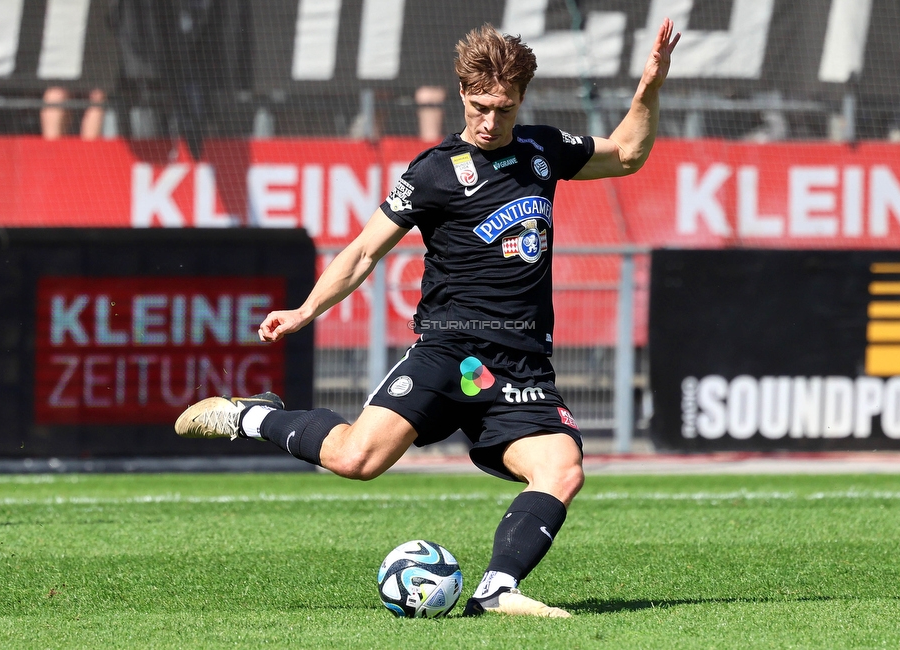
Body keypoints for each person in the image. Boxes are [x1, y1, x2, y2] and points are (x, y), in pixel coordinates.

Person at [175, 18, 680, 618]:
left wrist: (650, 84)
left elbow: (625, 154)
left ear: (520, 100)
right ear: (460, 94)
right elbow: (364, 251)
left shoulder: (542, 150)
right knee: (355, 461)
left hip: (519, 365)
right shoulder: (434, 171)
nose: (489, 122)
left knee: (561, 467)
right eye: (478, 106)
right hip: (449, 353)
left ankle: (497, 590)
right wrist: (306, 309)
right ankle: (253, 416)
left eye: (503, 108)